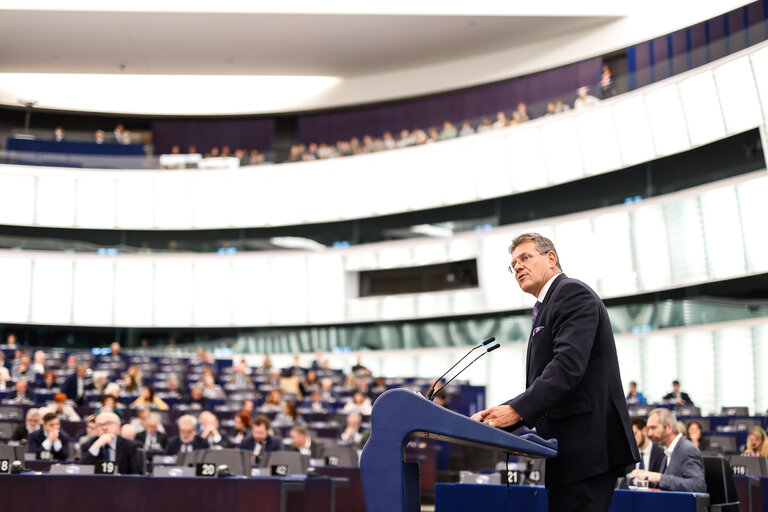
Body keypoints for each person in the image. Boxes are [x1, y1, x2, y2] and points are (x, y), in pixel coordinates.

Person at [471, 233, 638, 512]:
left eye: (525, 258)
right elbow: (547, 378)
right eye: (513, 264)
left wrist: (515, 410)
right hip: (570, 454)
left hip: (587, 451)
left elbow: (567, 367)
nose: (518, 267)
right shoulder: (546, 305)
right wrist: (502, 414)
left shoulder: (571, 293)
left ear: (551, 259)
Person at [629, 408, 706, 492]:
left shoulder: (688, 449)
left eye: (653, 428)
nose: (649, 433)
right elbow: (666, 485)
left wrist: (659, 477)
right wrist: (645, 477)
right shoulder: (668, 451)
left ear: (669, 427)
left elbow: (698, 486)